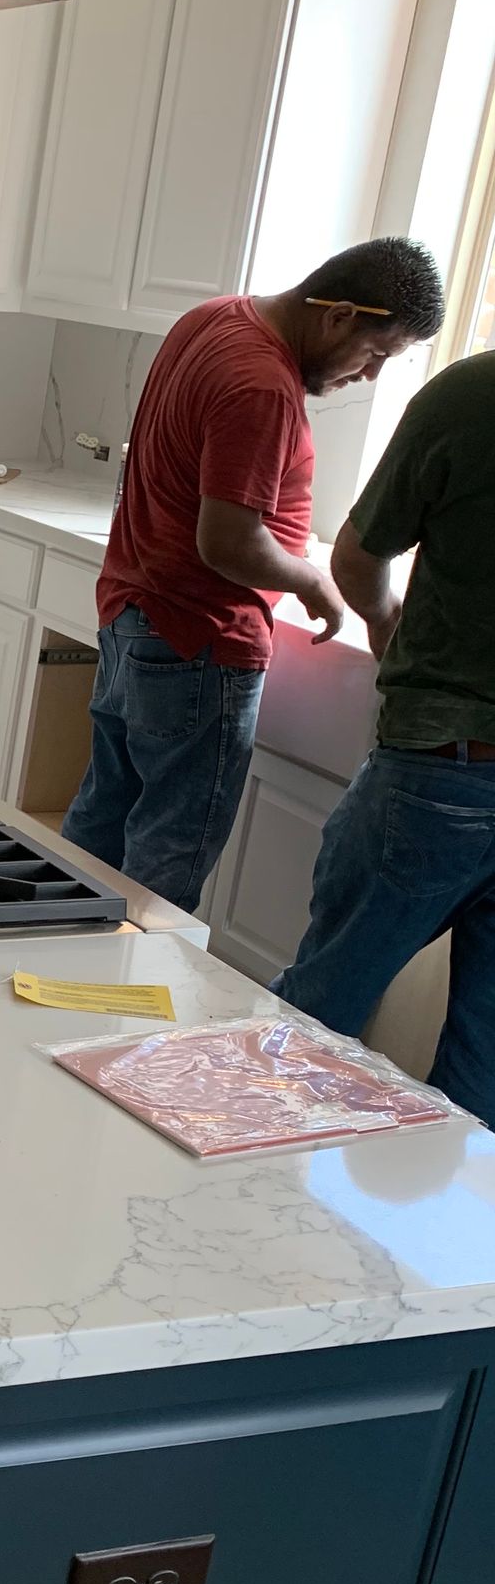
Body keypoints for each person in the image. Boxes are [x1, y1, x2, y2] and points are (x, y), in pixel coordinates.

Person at [59, 239, 445, 913]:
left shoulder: (215, 316)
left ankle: (49, 951)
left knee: (102, 816)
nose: (370, 375)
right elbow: (229, 543)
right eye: (376, 353)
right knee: (169, 850)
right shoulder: (262, 384)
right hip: (198, 639)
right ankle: (126, 976)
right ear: (339, 315)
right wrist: (313, 581)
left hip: (135, 615)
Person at [274, 352, 495, 1127]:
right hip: (452, 760)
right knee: (485, 1057)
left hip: (445, 761)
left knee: (316, 1012)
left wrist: (385, 625)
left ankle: (243, 1185)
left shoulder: (472, 392)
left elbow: (360, 555)